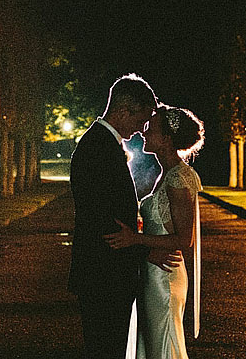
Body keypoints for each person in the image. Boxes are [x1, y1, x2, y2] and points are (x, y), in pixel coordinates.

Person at [69, 73, 178, 359]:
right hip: (103, 275)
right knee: (107, 349)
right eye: (141, 118)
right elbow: (104, 223)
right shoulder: (98, 148)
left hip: (105, 274)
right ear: (122, 110)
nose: (142, 128)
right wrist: (143, 253)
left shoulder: (103, 144)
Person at [105, 105, 204, 359]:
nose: (143, 133)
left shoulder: (178, 179)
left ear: (166, 140)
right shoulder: (166, 174)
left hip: (165, 278)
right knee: (152, 345)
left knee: (163, 344)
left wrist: (135, 239)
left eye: (151, 129)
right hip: (153, 273)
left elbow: (184, 239)